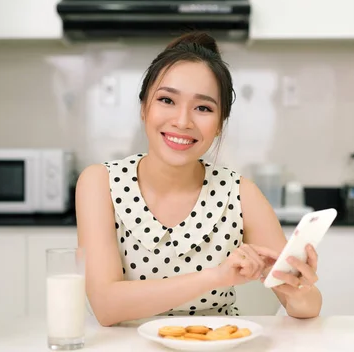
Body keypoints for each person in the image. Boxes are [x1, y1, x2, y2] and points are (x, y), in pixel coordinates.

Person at [75, 31, 322, 327]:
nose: (182, 121)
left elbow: (308, 305)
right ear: (143, 108)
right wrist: (217, 277)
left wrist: (298, 289)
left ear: (219, 125)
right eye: (167, 100)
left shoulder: (241, 193)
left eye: (203, 108)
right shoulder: (99, 182)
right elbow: (105, 305)